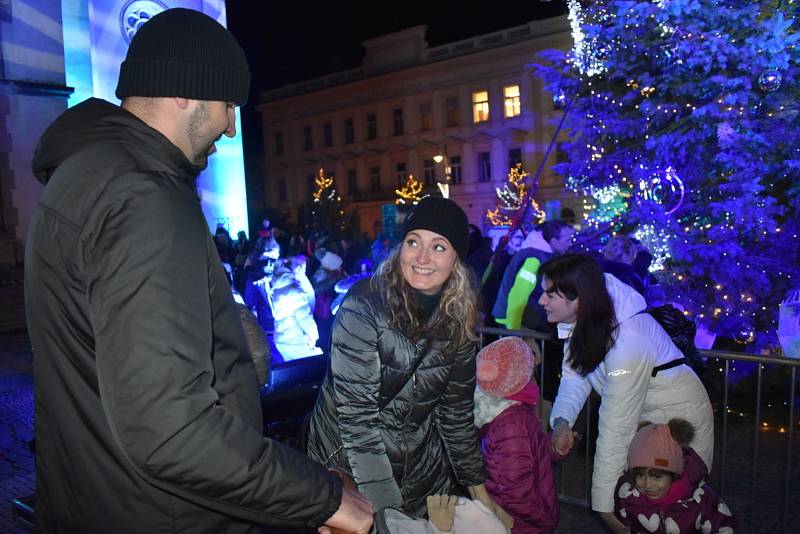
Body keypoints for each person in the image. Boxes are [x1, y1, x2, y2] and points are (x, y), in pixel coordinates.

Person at [25, 8, 371, 533]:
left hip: (97, 501)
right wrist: (321, 497)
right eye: (228, 105)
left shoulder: (85, 175)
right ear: (186, 92)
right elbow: (169, 429)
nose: (231, 129)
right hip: (166, 515)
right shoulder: (143, 196)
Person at [307, 197, 510, 525]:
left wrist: (482, 497)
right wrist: (387, 514)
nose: (422, 257)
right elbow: (358, 423)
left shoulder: (456, 320)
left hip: (418, 460)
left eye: (439, 247)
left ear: (456, 258)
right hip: (347, 457)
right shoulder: (364, 306)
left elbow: (455, 416)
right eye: (413, 242)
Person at [538, 254, 713, 532]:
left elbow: (616, 425)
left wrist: (604, 507)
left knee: (670, 514)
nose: (541, 301)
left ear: (578, 298)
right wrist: (561, 422)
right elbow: (575, 377)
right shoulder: (586, 321)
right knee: (643, 511)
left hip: (677, 425)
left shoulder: (628, 342)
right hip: (644, 424)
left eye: (550, 294)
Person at [474, 337, 559, 533]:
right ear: (519, 375)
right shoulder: (511, 423)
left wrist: (553, 449)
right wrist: (547, 520)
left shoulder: (501, 408)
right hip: (523, 524)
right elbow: (517, 494)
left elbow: (528, 450)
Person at [614, 420, 736, 534]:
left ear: (674, 474)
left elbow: (725, 527)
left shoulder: (701, 499)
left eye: (657, 476)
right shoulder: (627, 495)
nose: (647, 484)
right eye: (640, 475)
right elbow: (623, 526)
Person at [492, 220, 574, 331]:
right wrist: (514, 330)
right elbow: (519, 295)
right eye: (568, 239)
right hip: (516, 322)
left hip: (522, 319)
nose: (570, 243)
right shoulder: (534, 260)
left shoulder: (541, 254)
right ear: (554, 241)